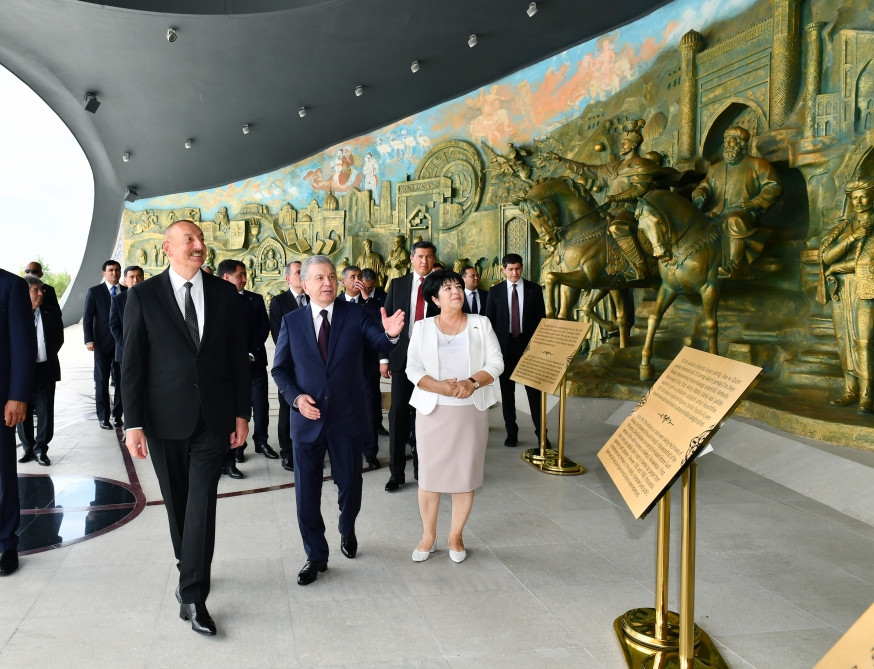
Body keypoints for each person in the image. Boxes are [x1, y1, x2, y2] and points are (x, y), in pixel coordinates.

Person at [122, 220, 250, 635]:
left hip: (213, 420)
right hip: (163, 420)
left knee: (201, 505)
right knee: (178, 505)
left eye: (200, 239)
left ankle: (193, 594)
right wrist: (133, 423)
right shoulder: (143, 296)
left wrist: (242, 414)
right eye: (189, 240)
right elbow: (132, 364)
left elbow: (237, 358)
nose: (199, 245)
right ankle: (188, 566)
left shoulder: (224, 294)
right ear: (167, 248)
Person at [271, 255, 404, 585]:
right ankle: (316, 556)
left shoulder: (355, 314)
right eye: (319, 277)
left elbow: (377, 340)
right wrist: (296, 398)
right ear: (305, 284)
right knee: (306, 493)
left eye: (331, 276)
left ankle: (347, 527)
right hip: (307, 419)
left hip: (347, 418)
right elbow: (280, 369)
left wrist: (390, 336)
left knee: (350, 484)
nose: (327, 282)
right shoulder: (292, 321)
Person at [406, 270, 503, 563]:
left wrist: (471, 383)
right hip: (432, 411)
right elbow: (413, 368)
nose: (455, 291)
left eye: (458, 286)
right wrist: (439, 387)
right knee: (429, 477)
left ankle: (455, 536)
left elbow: (496, 363)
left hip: (470, 411)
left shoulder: (480, 323)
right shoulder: (422, 327)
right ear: (435, 299)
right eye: (447, 288)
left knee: (464, 476)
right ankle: (428, 535)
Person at [548, 120, 652, 279]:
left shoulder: (640, 164)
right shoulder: (613, 167)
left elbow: (640, 188)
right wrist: (563, 161)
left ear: (633, 145)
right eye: (621, 143)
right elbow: (585, 170)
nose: (621, 145)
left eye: (624, 143)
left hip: (632, 208)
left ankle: (641, 266)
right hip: (611, 209)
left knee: (617, 228)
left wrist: (618, 197)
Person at [691, 125, 783, 277]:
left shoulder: (758, 164)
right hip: (717, 212)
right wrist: (699, 193)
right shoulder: (715, 168)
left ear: (741, 144)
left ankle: (735, 266)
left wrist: (755, 203)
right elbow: (704, 186)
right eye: (725, 141)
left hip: (744, 213)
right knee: (695, 224)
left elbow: (773, 186)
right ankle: (698, 266)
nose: (727, 144)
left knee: (734, 221)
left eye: (731, 141)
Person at [383, 240, 438, 491]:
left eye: (429, 256)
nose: (424, 261)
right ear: (412, 259)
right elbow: (387, 322)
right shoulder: (398, 284)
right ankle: (396, 474)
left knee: (426, 416)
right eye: (420, 256)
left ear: (433, 259)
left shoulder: (441, 285)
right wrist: (384, 358)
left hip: (432, 363)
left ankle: (422, 471)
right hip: (403, 360)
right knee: (398, 416)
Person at [217, 259, 277, 479]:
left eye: (245, 274)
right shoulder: (215, 300)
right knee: (232, 411)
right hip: (228, 369)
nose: (244, 278)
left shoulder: (255, 299)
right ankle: (235, 450)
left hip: (254, 363)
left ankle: (261, 442)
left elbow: (263, 327)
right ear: (227, 277)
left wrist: (250, 353)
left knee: (260, 405)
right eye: (240, 275)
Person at [819, 179, 874, 414]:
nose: (858, 202)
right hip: (843, 290)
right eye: (854, 198)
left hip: (866, 290)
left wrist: (836, 267)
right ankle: (850, 390)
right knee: (844, 341)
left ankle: (867, 395)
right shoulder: (844, 228)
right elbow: (827, 256)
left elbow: (866, 262)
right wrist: (852, 238)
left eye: (863, 197)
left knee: (864, 342)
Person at [485, 253, 548, 447]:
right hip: (505, 349)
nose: (514, 273)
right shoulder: (494, 292)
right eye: (510, 269)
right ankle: (511, 433)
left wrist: (540, 350)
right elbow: (489, 323)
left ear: (522, 268)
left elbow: (542, 321)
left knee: (534, 394)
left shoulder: (534, 290)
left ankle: (542, 435)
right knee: (507, 393)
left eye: (518, 268)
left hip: (528, 348)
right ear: (503, 269)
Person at [0, 268, 36, 576]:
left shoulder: (10, 286)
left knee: (1, 474)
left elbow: (23, 345)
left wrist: (18, 395)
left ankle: (6, 543)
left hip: (2, 400)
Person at [340, 265, 384, 470]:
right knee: (343, 412)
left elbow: (380, 326)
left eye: (359, 276)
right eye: (352, 277)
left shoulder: (370, 303)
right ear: (343, 282)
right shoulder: (335, 303)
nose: (357, 280)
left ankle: (371, 452)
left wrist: (367, 298)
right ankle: (345, 451)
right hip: (342, 370)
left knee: (370, 412)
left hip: (367, 367)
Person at [17, 275, 63, 467]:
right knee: (23, 410)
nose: (40, 294)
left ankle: (41, 449)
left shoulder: (51, 313)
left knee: (45, 410)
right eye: (35, 290)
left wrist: (45, 354)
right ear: (25, 293)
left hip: (45, 368)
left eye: (41, 290)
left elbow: (58, 339)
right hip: (21, 371)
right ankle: (28, 448)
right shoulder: (15, 314)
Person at [83, 260, 125, 429]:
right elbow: (87, 317)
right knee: (102, 381)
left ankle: (118, 415)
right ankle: (103, 417)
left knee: (121, 381)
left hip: (121, 343)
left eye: (117, 270)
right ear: (104, 273)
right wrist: (89, 339)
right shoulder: (94, 292)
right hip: (101, 344)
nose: (114, 273)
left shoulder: (126, 292)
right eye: (111, 270)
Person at [108, 265, 144, 411]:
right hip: (125, 352)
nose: (135, 280)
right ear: (125, 280)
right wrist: (127, 346)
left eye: (138, 276)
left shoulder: (151, 298)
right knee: (125, 386)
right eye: (132, 277)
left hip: (147, 351)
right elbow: (114, 325)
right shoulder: (118, 300)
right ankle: (121, 415)